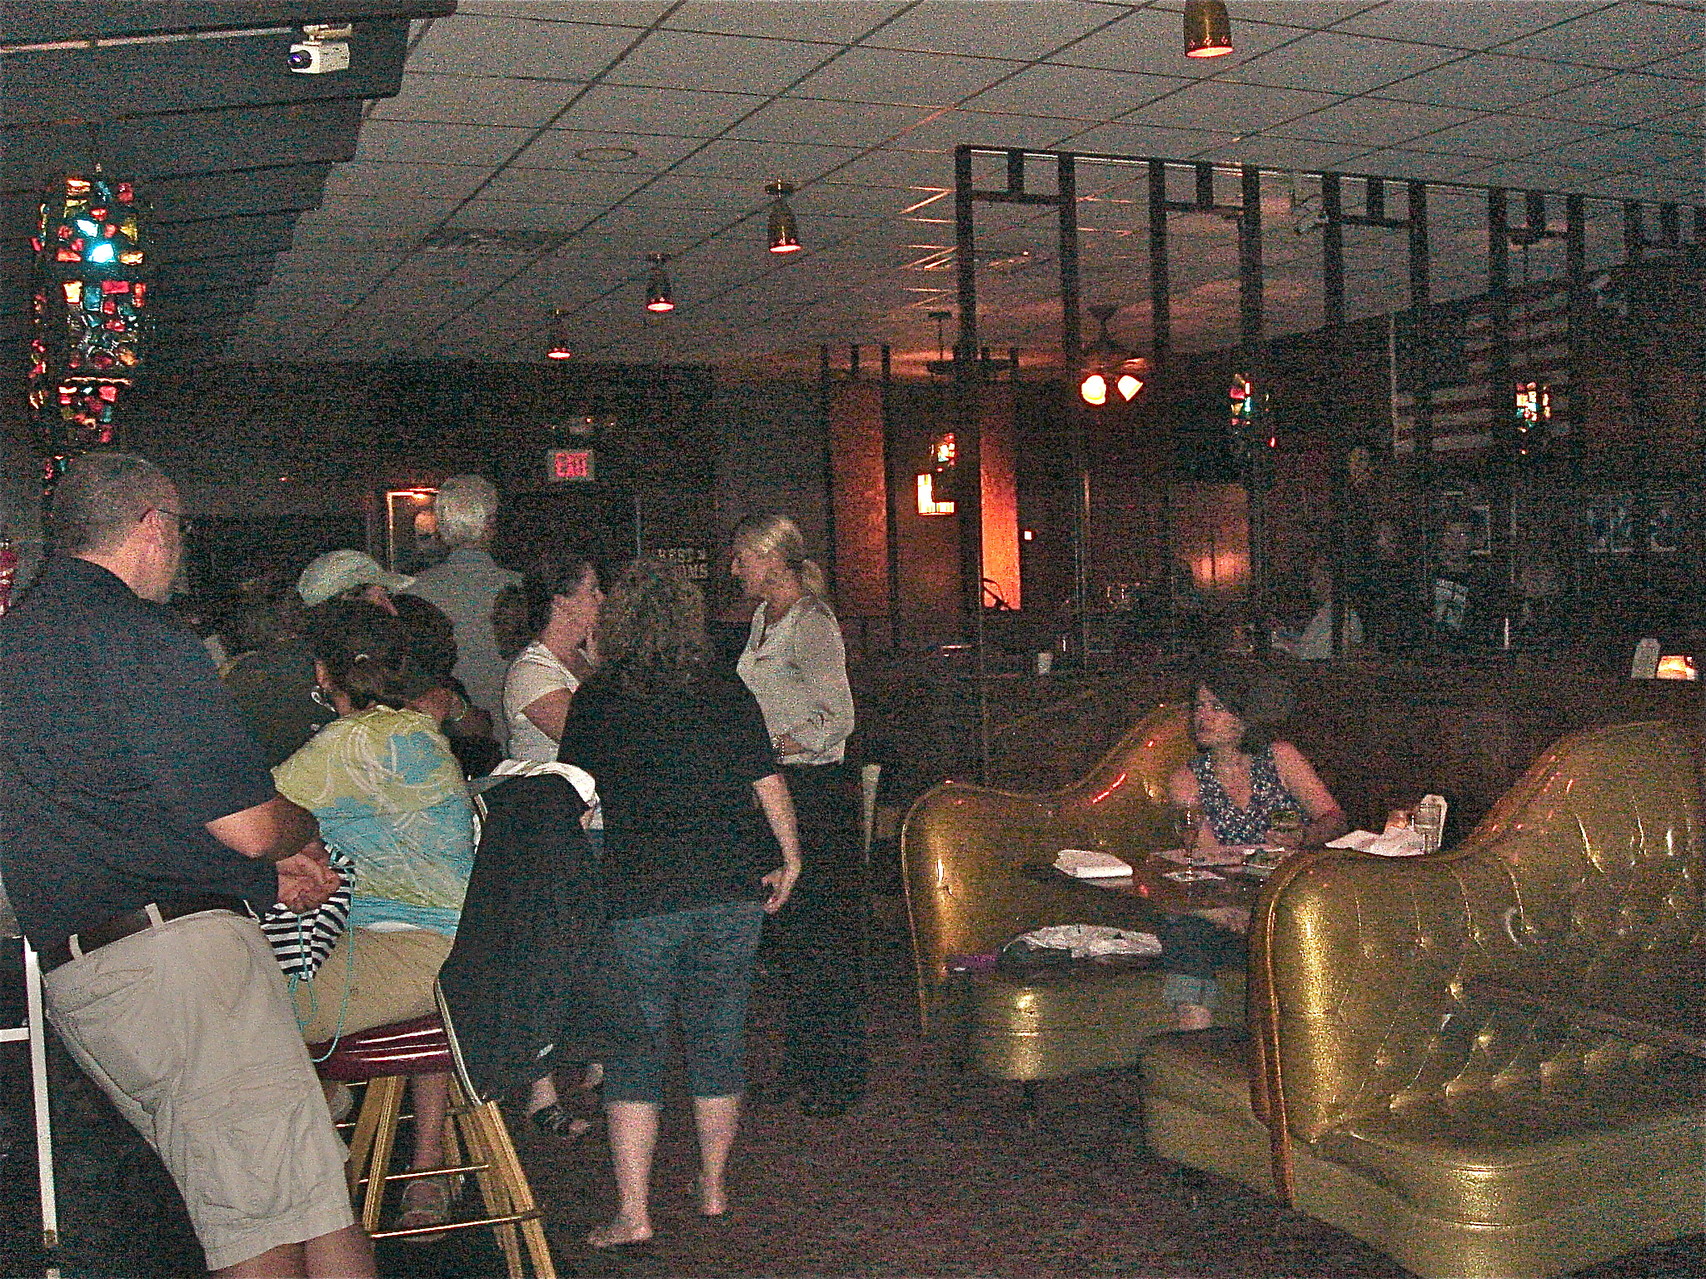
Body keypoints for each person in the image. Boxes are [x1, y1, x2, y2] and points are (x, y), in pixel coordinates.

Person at [0, 451, 372, 1279]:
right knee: (264, 1216)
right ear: (152, 525)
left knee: (302, 1193)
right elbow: (245, 822)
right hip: (181, 974)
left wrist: (259, 881)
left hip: (91, 976)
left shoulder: (14, 647)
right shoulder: (138, 636)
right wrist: (298, 835)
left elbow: (117, 824)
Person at [560, 560, 802, 1248]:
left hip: (641, 891)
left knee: (634, 1049)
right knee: (718, 1037)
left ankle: (634, 1211)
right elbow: (766, 778)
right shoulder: (723, 688)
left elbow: (575, 797)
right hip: (729, 886)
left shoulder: (600, 698)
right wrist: (790, 857)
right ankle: (714, 1187)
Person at [273, 600, 476, 1235]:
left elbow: (242, 822)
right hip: (453, 944)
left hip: (414, 951)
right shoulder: (414, 731)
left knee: (252, 1009)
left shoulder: (347, 746)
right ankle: (395, 1162)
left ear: (322, 672)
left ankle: (303, 1189)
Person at [730, 513, 866, 1116]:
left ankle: (837, 1074)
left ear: (772, 560)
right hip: (784, 790)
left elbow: (839, 717)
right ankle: (805, 1063)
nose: (733, 569)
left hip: (817, 793)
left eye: (742, 558)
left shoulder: (812, 623)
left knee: (823, 938)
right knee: (794, 937)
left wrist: (777, 746)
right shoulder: (765, 618)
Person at [1161, 662, 1347, 1031]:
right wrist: (1233, 914)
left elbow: (1333, 819)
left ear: (1245, 716)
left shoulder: (1280, 757)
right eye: (1198, 707)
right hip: (1231, 905)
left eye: (1216, 707)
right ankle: (1197, 1045)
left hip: (1290, 898)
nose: (1203, 717)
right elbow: (1204, 862)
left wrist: (1303, 836)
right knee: (1183, 925)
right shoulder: (1186, 780)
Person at [221, 549, 413, 767]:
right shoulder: (263, 676)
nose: (391, 609)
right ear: (347, 601)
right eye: (380, 597)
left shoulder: (386, 659)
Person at [402, 475, 521, 743]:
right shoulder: (521, 590)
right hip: (514, 736)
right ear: (490, 524)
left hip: (444, 742)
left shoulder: (413, 594)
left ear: (442, 527)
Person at [503, 556, 602, 762]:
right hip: (553, 791)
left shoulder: (585, 657)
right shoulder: (530, 672)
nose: (602, 598)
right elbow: (593, 739)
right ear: (562, 602)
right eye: (592, 591)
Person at [1272, 557, 1362, 660]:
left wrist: (1281, 644)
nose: (1311, 586)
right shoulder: (1326, 614)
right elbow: (1306, 647)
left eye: (1314, 580)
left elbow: (1314, 657)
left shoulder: (1339, 617)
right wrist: (1282, 638)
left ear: (1328, 580)